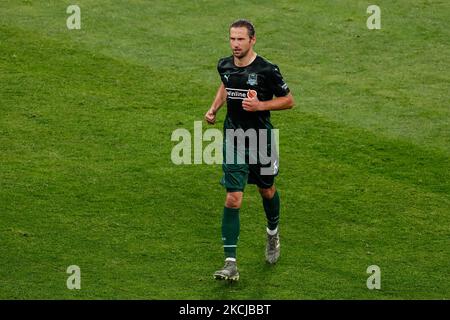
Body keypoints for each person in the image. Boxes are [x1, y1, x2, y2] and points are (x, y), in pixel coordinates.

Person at [204, 19, 294, 281]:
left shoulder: (267, 70)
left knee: (266, 190)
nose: (235, 44)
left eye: (240, 39)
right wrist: (214, 108)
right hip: (233, 137)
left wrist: (260, 106)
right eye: (232, 39)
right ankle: (230, 263)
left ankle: (272, 233)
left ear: (252, 40)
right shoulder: (224, 64)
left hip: (261, 139)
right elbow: (226, 85)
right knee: (233, 197)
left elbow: (289, 101)